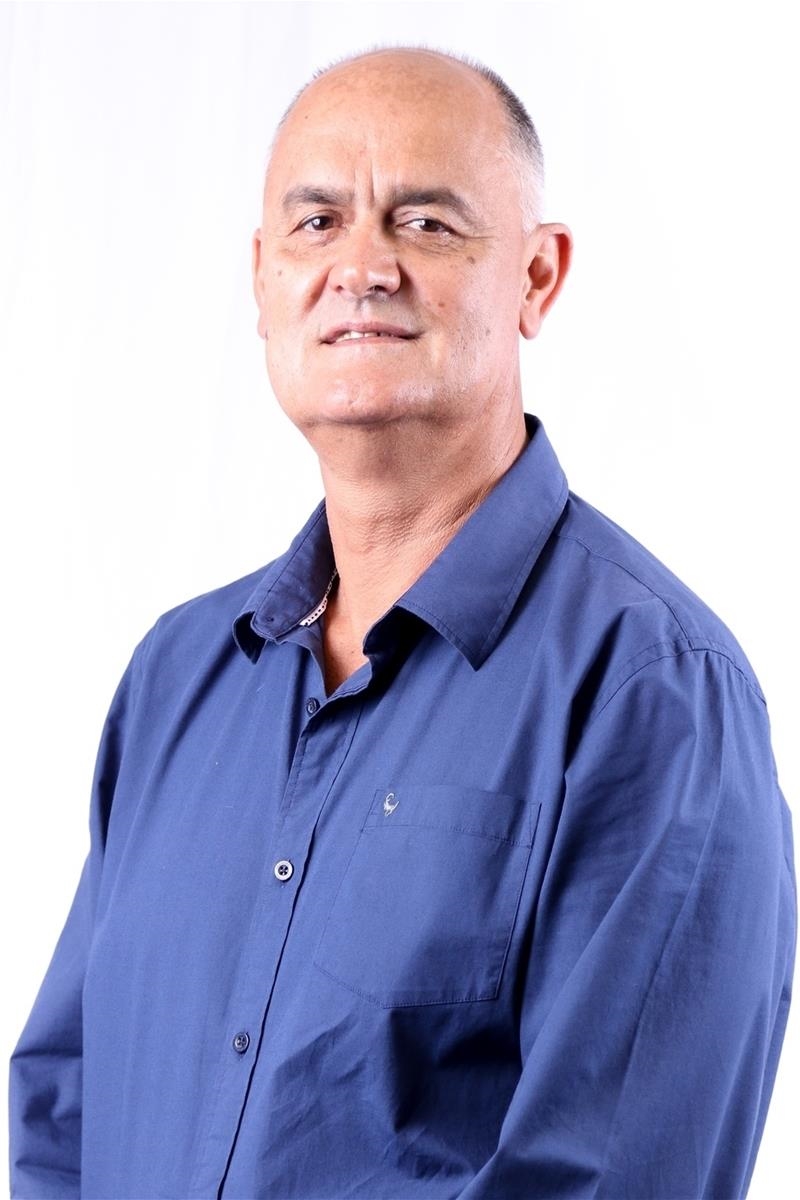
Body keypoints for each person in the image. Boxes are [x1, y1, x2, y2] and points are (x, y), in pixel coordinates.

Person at [9, 46, 795, 1200]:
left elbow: (606, 1179)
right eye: (317, 222)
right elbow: (62, 1110)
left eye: (425, 223)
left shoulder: (649, 689)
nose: (362, 268)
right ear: (263, 276)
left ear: (536, 276)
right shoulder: (176, 677)